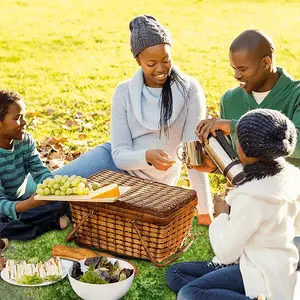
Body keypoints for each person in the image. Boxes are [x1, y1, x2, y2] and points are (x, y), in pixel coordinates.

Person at [51, 15, 213, 224]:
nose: (161, 69)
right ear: (138, 60)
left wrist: (204, 211)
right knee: (50, 188)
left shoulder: (190, 90)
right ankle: (14, 208)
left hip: (149, 186)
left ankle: (61, 216)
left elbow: (193, 156)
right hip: (112, 163)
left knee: (90, 212)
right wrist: (146, 156)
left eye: (166, 59)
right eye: (151, 63)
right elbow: (119, 155)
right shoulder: (124, 92)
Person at [166, 108, 300, 300]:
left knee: (189, 293)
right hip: (275, 265)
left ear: (244, 150)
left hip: (259, 273)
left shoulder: (251, 197)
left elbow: (226, 253)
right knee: (176, 273)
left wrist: (222, 215)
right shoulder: (292, 177)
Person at [195, 29, 300, 262]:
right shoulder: (230, 99)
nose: (236, 75)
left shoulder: (297, 95)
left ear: (266, 62)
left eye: (242, 69)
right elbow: (243, 160)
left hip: (290, 205)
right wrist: (216, 165)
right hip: (250, 202)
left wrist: (234, 126)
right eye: (233, 68)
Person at [0, 90, 70, 241]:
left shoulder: (25, 141)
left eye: (24, 116)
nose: (24, 122)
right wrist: (29, 204)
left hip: (21, 201)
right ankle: (45, 225)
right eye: (17, 118)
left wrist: (53, 189)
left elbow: (40, 172)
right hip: (5, 206)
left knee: (63, 203)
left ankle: (12, 232)